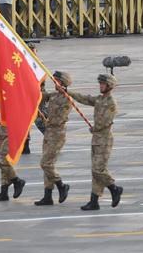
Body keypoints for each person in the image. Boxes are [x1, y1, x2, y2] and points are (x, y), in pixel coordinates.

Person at [71, 73, 125, 210]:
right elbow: (86, 99)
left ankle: (114, 188)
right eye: (100, 83)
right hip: (96, 139)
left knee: (98, 170)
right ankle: (94, 201)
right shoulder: (100, 99)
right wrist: (68, 92)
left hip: (104, 139)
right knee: (95, 171)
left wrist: (95, 128)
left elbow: (105, 122)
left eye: (103, 84)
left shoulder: (111, 102)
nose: (100, 86)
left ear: (109, 86)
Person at [34, 72, 72, 205]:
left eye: (57, 81)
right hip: (49, 133)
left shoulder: (66, 99)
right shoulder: (53, 96)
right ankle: (47, 195)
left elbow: (59, 119)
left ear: (63, 83)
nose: (54, 83)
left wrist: (47, 121)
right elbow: (40, 96)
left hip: (57, 133)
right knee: (47, 164)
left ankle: (61, 186)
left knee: (46, 163)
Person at [0, 124, 27, 202]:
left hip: (13, 128)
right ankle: (4, 192)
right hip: (3, 128)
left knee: (1, 159)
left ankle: (17, 181)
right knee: (4, 161)